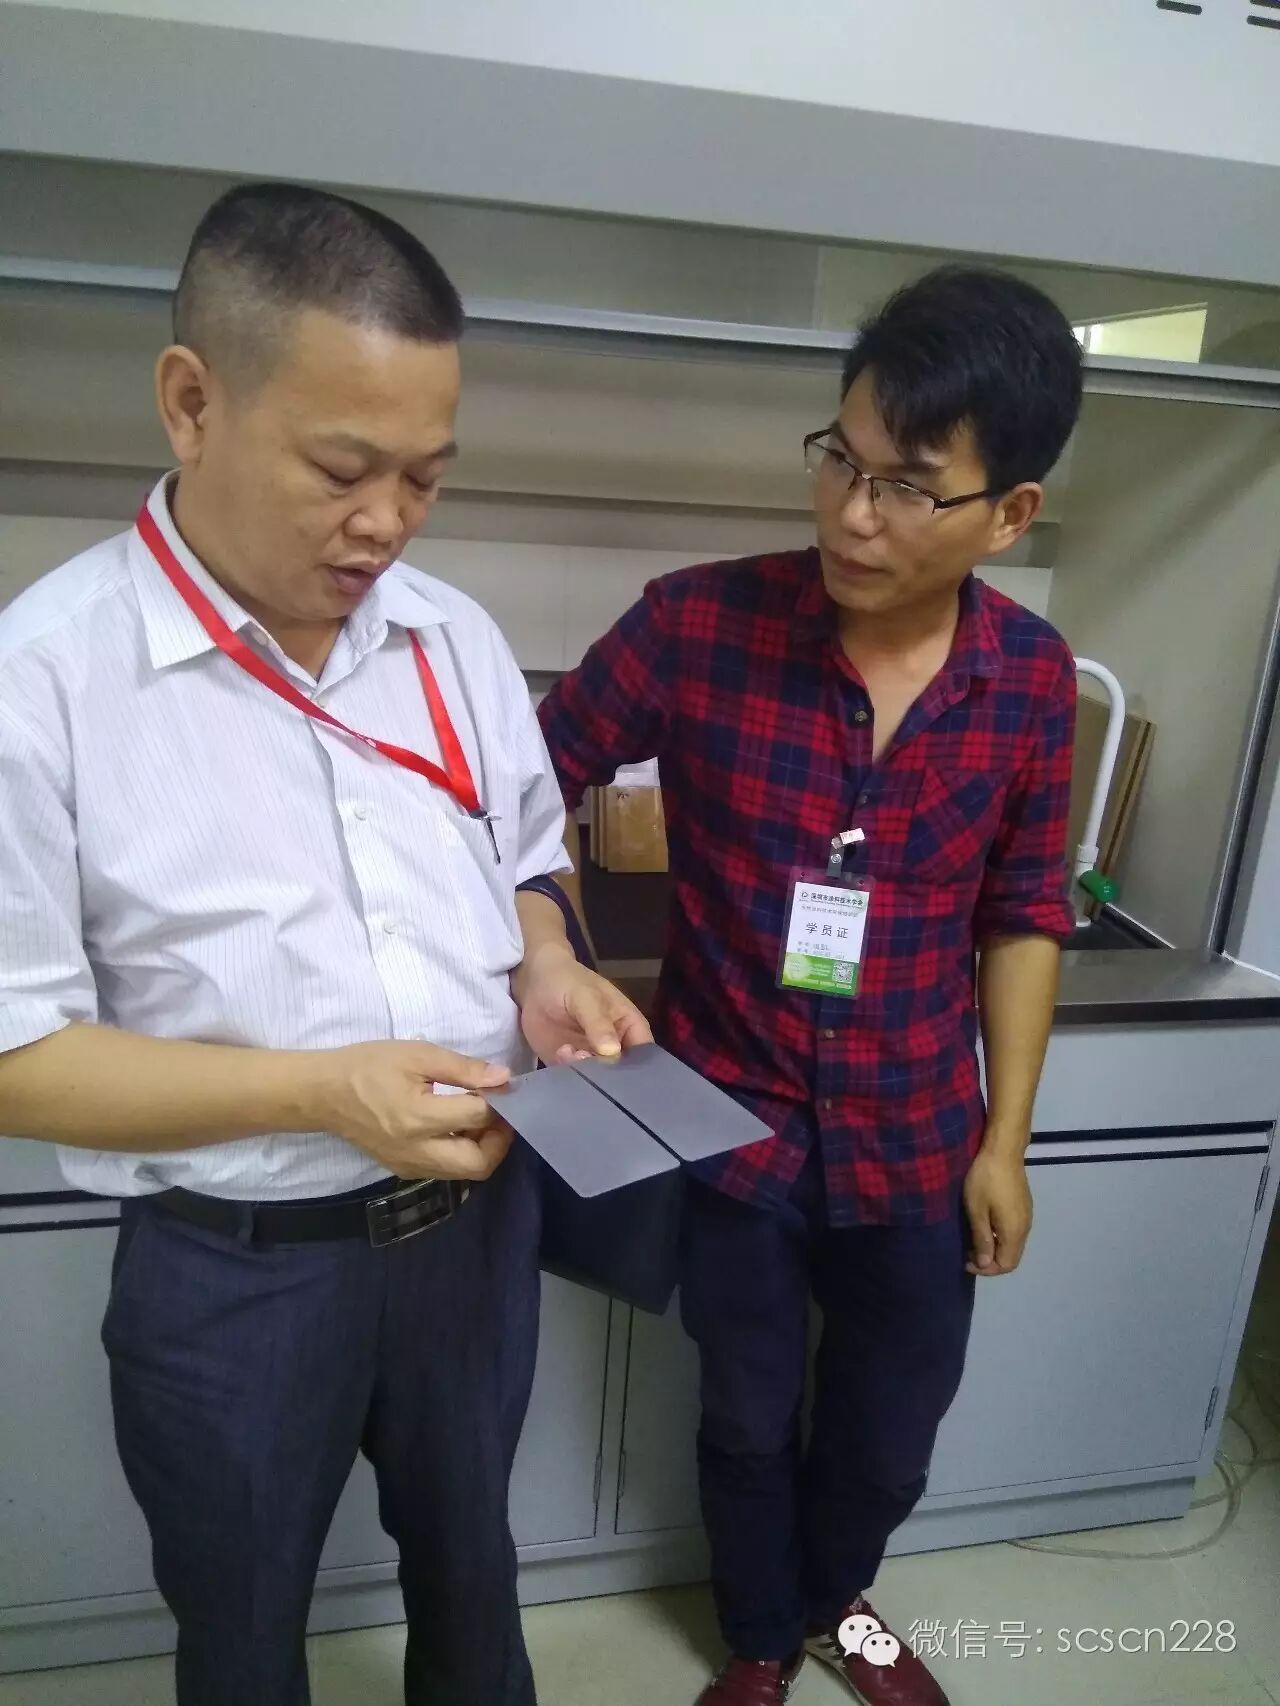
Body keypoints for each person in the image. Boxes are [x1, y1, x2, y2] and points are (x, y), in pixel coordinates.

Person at [0, 181, 650, 1706]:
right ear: (191, 402)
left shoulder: (451, 637)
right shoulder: (43, 683)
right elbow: (16, 1056)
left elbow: (528, 853)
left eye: (426, 476)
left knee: (474, 1580)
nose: (388, 521)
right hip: (234, 1271)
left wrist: (548, 960)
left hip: (472, 1240)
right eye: (345, 469)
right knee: (240, 1631)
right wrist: (318, 1090)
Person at [538, 266, 1083, 1706]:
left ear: (1009, 514)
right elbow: (521, 788)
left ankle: (843, 1601)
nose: (852, 513)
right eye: (842, 460)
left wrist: (1007, 1140)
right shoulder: (696, 625)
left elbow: (1026, 914)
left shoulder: (1030, 682)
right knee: (743, 1408)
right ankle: (760, 1637)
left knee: (891, 1427)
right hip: (731, 1125)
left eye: (908, 486)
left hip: (919, 1135)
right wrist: (550, 946)